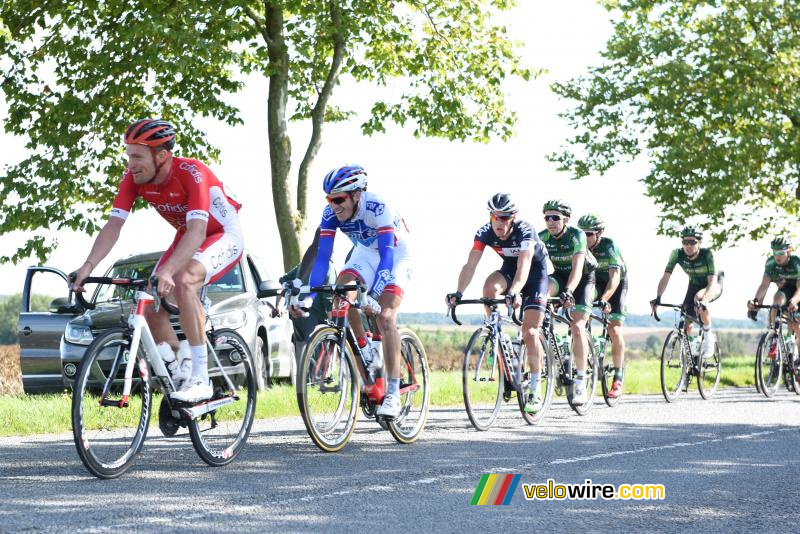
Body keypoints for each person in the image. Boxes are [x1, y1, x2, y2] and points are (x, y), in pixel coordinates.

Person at [70, 119, 244, 402]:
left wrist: (171, 270)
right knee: (151, 310)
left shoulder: (192, 172)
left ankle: (201, 379)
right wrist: (87, 267)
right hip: (188, 234)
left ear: (162, 155)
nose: (131, 163)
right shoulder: (133, 178)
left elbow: (199, 231)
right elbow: (114, 225)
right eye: (128, 155)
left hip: (222, 234)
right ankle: (180, 373)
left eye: (137, 156)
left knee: (182, 279)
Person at [293, 165, 412, 418]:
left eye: (338, 199)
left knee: (385, 316)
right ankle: (365, 348)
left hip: (395, 255)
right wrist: (309, 296)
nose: (334, 206)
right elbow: (323, 255)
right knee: (341, 294)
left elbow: (387, 257)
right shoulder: (330, 214)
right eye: (329, 199)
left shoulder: (378, 207)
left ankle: (392, 393)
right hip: (365, 254)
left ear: (357, 195)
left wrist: (372, 296)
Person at [446, 193, 549, 413]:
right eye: (495, 216)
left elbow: (525, 264)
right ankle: (496, 334)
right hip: (510, 272)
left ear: (513, 218)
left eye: (504, 217)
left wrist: (514, 292)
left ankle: (534, 387)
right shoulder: (484, 232)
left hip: (534, 275)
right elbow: (470, 264)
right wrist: (458, 292)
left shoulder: (525, 230)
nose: (499, 222)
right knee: (489, 288)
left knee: (530, 331)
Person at [539, 199, 597, 406]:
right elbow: (534, 267)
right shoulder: (542, 237)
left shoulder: (577, 235)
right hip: (560, 277)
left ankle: (581, 380)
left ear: (566, 219)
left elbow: (578, 267)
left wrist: (568, 291)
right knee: (540, 294)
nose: (551, 221)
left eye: (555, 217)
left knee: (577, 326)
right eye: (547, 217)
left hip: (583, 279)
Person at [578, 214, 627, 399]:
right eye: (582, 234)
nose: (585, 238)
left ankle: (618, 376)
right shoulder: (579, 247)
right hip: (594, 283)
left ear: (599, 234)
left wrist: (605, 299)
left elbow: (614, 278)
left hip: (616, 285)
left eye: (589, 234)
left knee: (614, 329)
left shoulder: (609, 246)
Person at [650, 226, 719, 359]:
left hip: (712, 285)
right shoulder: (677, 254)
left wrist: (704, 300)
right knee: (686, 320)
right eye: (685, 242)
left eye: (692, 242)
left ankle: (708, 336)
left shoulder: (707, 254)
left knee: (698, 298)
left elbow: (712, 283)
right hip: (693, 285)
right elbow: (665, 277)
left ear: (699, 242)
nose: (688, 245)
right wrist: (658, 298)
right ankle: (688, 363)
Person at [747, 237, 800, 356]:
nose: (777, 256)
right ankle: (773, 334)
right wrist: (755, 301)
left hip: (798, 293)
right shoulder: (771, 263)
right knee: (776, 300)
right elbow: (764, 285)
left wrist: (795, 300)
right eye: (775, 252)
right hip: (786, 290)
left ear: (789, 251)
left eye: (781, 252)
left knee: (796, 324)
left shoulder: (796, 263)